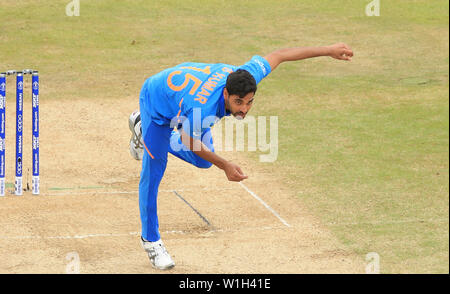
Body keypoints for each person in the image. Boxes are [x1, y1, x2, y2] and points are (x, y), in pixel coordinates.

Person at [128, 43, 353, 270]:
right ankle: (151, 240)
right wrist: (225, 165)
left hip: (182, 103)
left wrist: (329, 50)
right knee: (154, 170)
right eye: (238, 102)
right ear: (226, 93)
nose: (244, 109)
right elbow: (188, 141)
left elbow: (280, 55)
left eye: (249, 102)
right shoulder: (201, 109)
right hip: (157, 104)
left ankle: (146, 135)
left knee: (205, 161)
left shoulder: (246, 76)